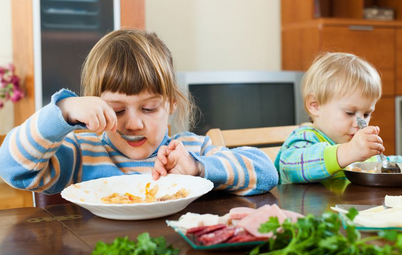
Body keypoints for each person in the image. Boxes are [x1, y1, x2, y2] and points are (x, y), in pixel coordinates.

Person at [0, 29, 278, 196]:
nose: (133, 123)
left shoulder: (191, 150)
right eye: (117, 110)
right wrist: (62, 110)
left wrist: (199, 168)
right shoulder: (80, 155)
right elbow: (12, 169)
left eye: (149, 108)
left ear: (170, 104)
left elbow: (266, 172)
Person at [275, 52, 385, 184]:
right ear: (315, 105)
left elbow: (383, 163)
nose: (360, 123)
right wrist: (348, 152)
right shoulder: (305, 138)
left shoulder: (359, 146)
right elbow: (290, 168)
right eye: (349, 112)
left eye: (366, 114)